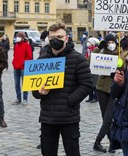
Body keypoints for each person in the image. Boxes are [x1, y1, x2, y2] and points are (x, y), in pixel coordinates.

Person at [32, 22, 93, 156]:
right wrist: (39, 93)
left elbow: (87, 84)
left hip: (69, 118)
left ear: (66, 38)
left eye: (59, 37)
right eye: (52, 37)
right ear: (48, 38)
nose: (55, 40)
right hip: (48, 118)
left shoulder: (78, 59)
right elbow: (34, 89)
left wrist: (70, 100)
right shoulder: (42, 59)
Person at [93, 34, 123, 153]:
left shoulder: (120, 54)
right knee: (105, 117)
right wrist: (98, 48)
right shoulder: (102, 53)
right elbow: (91, 61)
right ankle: (112, 143)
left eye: (113, 42)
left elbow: (124, 67)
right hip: (101, 88)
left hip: (114, 90)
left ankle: (97, 141)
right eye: (108, 42)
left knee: (109, 118)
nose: (111, 44)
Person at [12, 32, 33, 105]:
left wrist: (23, 62)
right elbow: (14, 55)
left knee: (25, 84)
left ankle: (25, 99)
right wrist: (13, 63)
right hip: (16, 68)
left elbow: (30, 57)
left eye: (18, 36)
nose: (17, 38)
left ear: (22, 38)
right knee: (16, 84)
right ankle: (18, 98)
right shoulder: (16, 45)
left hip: (23, 68)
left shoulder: (27, 46)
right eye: (17, 36)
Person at [85, 37, 99, 103]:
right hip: (88, 68)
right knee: (90, 84)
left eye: (89, 42)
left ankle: (95, 97)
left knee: (94, 84)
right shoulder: (88, 50)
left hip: (95, 68)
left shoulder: (95, 49)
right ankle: (90, 97)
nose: (88, 43)